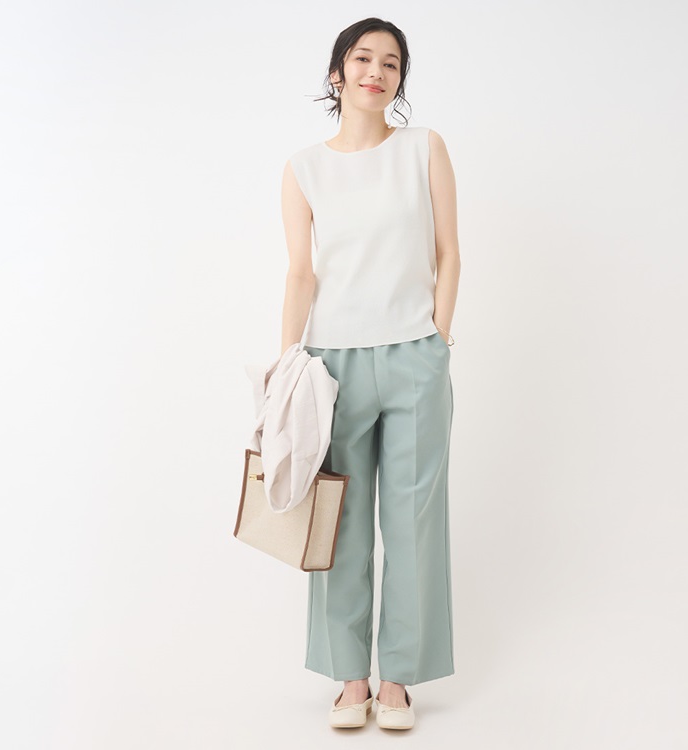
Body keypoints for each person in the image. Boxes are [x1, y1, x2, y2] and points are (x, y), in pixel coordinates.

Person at [280, 17, 461, 730]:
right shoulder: (304, 168)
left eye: (391, 62)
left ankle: (399, 682)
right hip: (333, 364)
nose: (376, 71)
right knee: (340, 521)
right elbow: (301, 272)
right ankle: (350, 677)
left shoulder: (424, 148)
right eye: (362, 58)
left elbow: (449, 251)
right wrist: (288, 364)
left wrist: (440, 337)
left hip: (416, 355)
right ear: (337, 73)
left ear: (399, 79)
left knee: (414, 522)